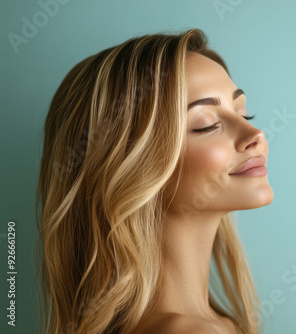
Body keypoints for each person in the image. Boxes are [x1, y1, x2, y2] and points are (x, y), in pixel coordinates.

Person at [35, 28, 274, 334]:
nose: (256, 136)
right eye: (207, 124)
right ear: (131, 166)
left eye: (243, 113)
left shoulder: (221, 325)